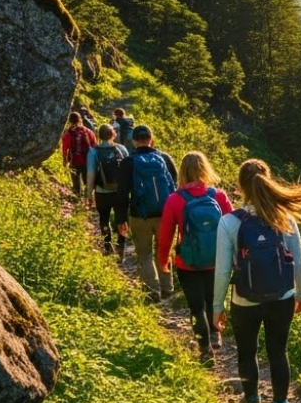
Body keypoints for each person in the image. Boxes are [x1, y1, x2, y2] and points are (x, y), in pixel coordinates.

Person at [213, 159, 301, 403]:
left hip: (244, 300)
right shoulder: (285, 218)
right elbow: (298, 262)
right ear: (269, 182)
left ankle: (252, 402)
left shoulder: (229, 222)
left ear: (240, 187)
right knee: (278, 352)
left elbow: (223, 271)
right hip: (282, 297)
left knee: (247, 352)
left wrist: (217, 306)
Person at [157, 152, 234, 359]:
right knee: (213, 300)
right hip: (217, 260)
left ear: (182, 172)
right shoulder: (218, 196)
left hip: (188, 263)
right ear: (205, 169)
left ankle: (204, 349)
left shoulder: (175, 199)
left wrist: (163, 260)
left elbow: (166, 235)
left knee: (196, 307)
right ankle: (215, 333)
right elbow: (234, 227)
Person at [116, 125, 178, 301]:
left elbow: (122, 193)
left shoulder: (128, 162)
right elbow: (174, 184)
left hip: (139, 215)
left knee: (144, 254)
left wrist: (121, 219)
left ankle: (152, 291)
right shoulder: (164, 158)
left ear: (134, 141)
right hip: (165, 215)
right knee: (163, 250)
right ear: (151, 139)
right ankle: (167, 288)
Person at [87, 124, 130, 256]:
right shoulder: (121, 149)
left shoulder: (93, 152)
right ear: (113, 134)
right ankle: (121, 248)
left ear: (99, 135)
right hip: (120, 192)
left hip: (102, 192)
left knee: (104, 219)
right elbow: (128, 170)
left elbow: (91, 174)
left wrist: (89, 194)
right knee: (122, 219)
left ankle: (107, 247)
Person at [60, 112, 97, 196]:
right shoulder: (88, 132)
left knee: (76, 184)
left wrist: (65, 160)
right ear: (80, 119)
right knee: (87, 182)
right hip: (87, 161)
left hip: (74, 161)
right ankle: (89, 198)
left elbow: (65, 148)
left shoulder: (69, 134)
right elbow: (94, 146)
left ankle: (77, 197)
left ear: (69, 121)